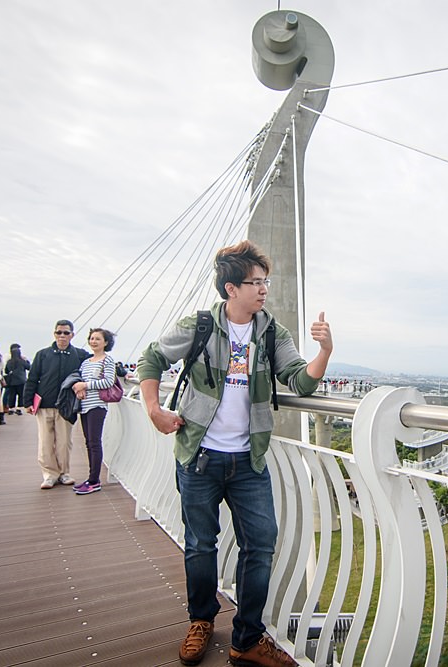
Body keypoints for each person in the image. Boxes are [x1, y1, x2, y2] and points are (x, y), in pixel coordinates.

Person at [138, 240, 332, 667]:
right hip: (199, 456)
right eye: (255, 282)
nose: (263, 289)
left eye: (265, 281)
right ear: (231, 289)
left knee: (260, 545)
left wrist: (324, 351)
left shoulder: (270, 332)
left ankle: (246, 638)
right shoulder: (201, 325)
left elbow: (300, 382)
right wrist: (154, 409)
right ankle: (201, 621)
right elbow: (150, 359)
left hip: (249, 461)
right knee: (200, 545)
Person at [23, 320, 91, 489]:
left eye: (66, 333)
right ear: (54, 334)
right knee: (45, 441)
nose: (62, 336)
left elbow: (98, 362)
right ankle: (49, 474)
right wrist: (27, 401)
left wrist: (122, 372)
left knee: (64, 442)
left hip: (66, 406)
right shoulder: (43, 354)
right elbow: (32, 379)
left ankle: (64, 473)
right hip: (45, 403)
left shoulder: (80, 355)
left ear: (72, 335)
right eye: (59, 332)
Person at [71, 328, 117, 495]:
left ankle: (94, 480)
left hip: (97, 406)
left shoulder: (107, 361)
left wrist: (86, 386)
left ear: (105, 342)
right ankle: (91, 478)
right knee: (88, 442)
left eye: (98, 339)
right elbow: (79, 380)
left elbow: (108, 382)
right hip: (84, 405)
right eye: (91, 338)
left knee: (94, 442)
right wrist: (79, 389)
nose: (93, 341)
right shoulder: (86, 362)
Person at [2, 343, 30, 414]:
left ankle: (11, 408)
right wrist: (27, 360)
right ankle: (19, 408)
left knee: (12, 395)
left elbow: (6, 371)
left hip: (12, 381)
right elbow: (29, 367)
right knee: (21, 395)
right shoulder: (22, 361)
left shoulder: (9, 362)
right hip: (21, 380)